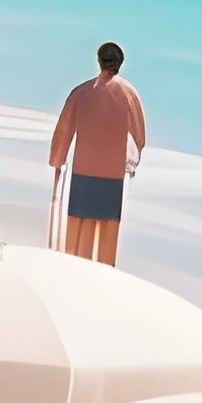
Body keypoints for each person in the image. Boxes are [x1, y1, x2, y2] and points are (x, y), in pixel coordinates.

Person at [48, 41, 146, 266]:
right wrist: (132, 163)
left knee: (78, 227)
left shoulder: (81, 92)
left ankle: (73, 268)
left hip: (83, 171)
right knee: (108, 231)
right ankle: (103, 274)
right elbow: (138, 136)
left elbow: (64, 128)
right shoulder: (129, 94)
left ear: (99, 61)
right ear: (119, 63)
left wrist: (57, 159)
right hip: (112, 174)